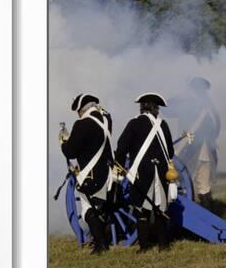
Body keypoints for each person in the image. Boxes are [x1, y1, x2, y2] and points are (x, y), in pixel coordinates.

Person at [114, 92, 175, 253]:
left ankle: (145, 246)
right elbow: (170, 152)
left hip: (142, 172)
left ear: (142, 107)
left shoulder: (134, 123)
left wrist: (119, 166)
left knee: (141, 209)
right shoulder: (164, 125)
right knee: (161, 208)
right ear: (156, 109)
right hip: (161, 172)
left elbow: (121, 147)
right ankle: (164, 245)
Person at [60, 93, 114, 255]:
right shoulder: (106, 120)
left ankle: (100, 245)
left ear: (81, 110)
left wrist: (63, 141)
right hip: (108, 173)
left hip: (91, 174)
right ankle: (102, 237)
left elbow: (71, 152)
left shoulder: (82, 124)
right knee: (101, 207)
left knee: (87, 209)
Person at [164, 77, 220, 209]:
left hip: (190, 149)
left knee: (181, 181)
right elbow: (217, 128)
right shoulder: (210, 107)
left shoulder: (188, 103)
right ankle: (208, 214)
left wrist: (177, 98)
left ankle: (186, 213)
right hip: (208, 151)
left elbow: (165, 109)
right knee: (204, 186)